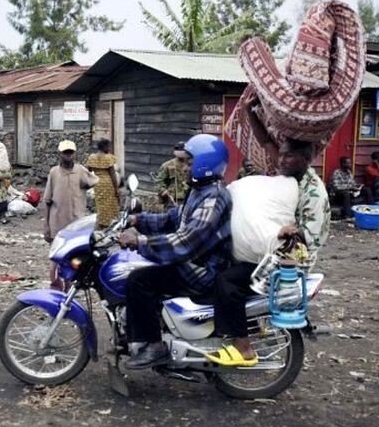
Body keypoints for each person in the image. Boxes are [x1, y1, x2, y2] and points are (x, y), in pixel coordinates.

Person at [206, 138, 330, 367]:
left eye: (288, 156)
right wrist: (251, 113)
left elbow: (308, 241)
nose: (281, 160)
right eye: (281, 155)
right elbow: (268, 147)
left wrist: (277, 236)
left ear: (306, 159)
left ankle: (243, 348)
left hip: (290, 261)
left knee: (228, 283)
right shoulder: (289, 177)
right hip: (272, 249)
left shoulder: (313, 193)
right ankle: (249, 327)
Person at [117, 134, 233, 369]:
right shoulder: (200, 191)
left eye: (188, 162)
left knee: (139, 280)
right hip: (194, 261)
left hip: (201, 270)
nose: (183, 167)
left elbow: (186, 241)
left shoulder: (214, 196)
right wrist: (138, 220)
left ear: (204, 164)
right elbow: (174, 217)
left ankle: (154, 347)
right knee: (140, 269)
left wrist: (140, 242)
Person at [43, 140, 99, 290]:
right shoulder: (54, 172)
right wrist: (46, 225)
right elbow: (47, 200)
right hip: (57, 222)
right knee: (56, 257)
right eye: (65, 153)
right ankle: (55, 287)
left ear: (74, 154)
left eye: (71, 153)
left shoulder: (80, 170)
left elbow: (94, 180)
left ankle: (68, 288)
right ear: (60, 154)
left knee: (71, 257)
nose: (68, 156)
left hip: (76, 223)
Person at [85, 138, 120, 228]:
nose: (110, 148)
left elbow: (89, 170)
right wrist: (116, 189)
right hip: (108, 183)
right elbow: (112, 174)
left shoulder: (92, 157)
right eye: (109, 146)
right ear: (104, 147)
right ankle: (110, 222)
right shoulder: (109, 158)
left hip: (97, 183)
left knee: (100, 204)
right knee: (110, 203)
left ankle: (101, 222)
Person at [154, 142, 190, 207]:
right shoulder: (167, 165)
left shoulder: (191, 164)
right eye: (178, 150)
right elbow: (159, 181)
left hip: (188, 197)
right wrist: (163, 190)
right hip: (172, 199)